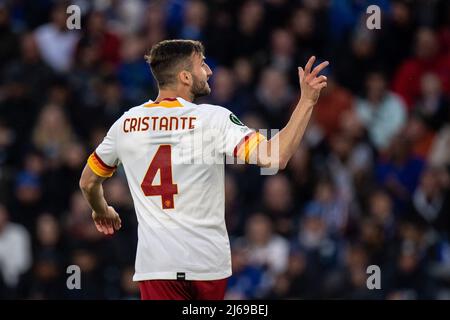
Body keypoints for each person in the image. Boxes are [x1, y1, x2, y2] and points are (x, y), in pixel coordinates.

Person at [79, 39, 328, 300]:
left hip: (158, 266)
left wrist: (101, 210)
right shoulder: (212, 119)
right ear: (185, 77)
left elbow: (87, 182)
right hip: (207, 265)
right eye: (202, 65)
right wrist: (307, 102)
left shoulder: (126, 123)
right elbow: (274, 157)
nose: (209, 71)